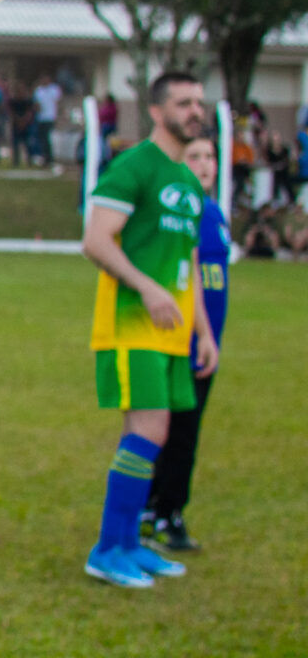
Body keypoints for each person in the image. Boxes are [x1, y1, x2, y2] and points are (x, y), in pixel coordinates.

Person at [79, 70, 217, 588]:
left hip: (172, 335)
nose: (195, 111)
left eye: (199, 103)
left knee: (146, 434)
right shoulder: (134, 166)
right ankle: (107, 548)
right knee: (149, 431)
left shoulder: (187, 180)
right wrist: (148, 288)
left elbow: (190, 262)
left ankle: (130, 545)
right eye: (184, 103)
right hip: (132, 327)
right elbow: (96, 240)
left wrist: (203, 331)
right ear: (157, 112)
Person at [143, 134, 228, 552]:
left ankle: (154, 507)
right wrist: (201, 332)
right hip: (182, 342)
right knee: (178, 434)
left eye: (210, 155)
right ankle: (166, 513)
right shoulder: (179, 214)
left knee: (179, 431)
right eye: (195, 156)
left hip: (206, 342)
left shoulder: (213, 213)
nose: (205, 164)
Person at [33, 74, 62, 167]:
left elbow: (58, 103)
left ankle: (50, 158)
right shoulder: (39, 90)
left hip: (50, 117)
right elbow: (36, 103)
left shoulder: (54, 89)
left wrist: (58, 116)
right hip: (41, 118)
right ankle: (44, 157)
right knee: (42, 139)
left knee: (48, 139)